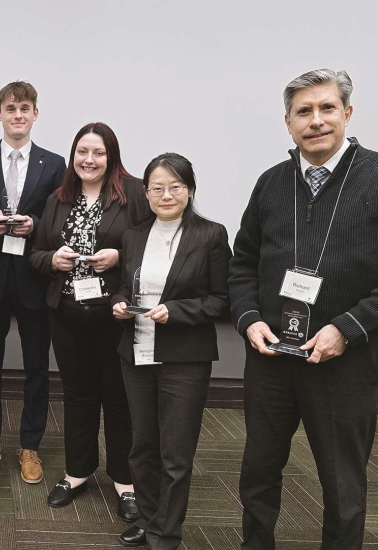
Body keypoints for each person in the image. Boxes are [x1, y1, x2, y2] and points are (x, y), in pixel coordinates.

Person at [230, 69, 378, 550]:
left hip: (344, 363)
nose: (316, 121)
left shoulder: (375, 178)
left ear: (348, 114)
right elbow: (242, 264)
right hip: (272, 358)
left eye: (326, 108)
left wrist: (347, 328)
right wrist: (249, 320)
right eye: (304, 112)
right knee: (257, 473)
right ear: (288, 123)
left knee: (343, 487)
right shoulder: (270, 183)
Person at [29, 122, 151, 516]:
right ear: (73, 156)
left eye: (98, 152)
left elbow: (155, 244)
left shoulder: (133, 193)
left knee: (118, 399)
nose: (89, 160)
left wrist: (118, 255)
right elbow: (36, 253)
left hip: (113, 315)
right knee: (77, 395)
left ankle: (124, 480)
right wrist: (53, 260)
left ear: (111, 156)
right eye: (83, 151)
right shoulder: (59, 197)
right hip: (66, 314)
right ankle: (77, 472)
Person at [111, 153, 231, 548]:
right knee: (142, 446)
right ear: (145, 193)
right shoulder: (134, 236)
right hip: (137, 353)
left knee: (175, 454)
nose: (166, 194)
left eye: (175, 186)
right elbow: (129, 286)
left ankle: (167, 533)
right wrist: (120, 301)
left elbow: (222, 300)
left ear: (190, 189)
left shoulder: (210, 235)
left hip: (184, 358)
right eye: (157, 188)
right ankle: (148, 519)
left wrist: (175, 311)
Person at [0, 81, 65, 484]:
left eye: (25, 108)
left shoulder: (55, 164)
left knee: (37, 366)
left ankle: (30, 446)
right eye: (10, 108)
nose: (18, 115)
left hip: (35, 277)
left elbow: (59, 219)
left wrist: (35, 224)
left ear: (35, 114)